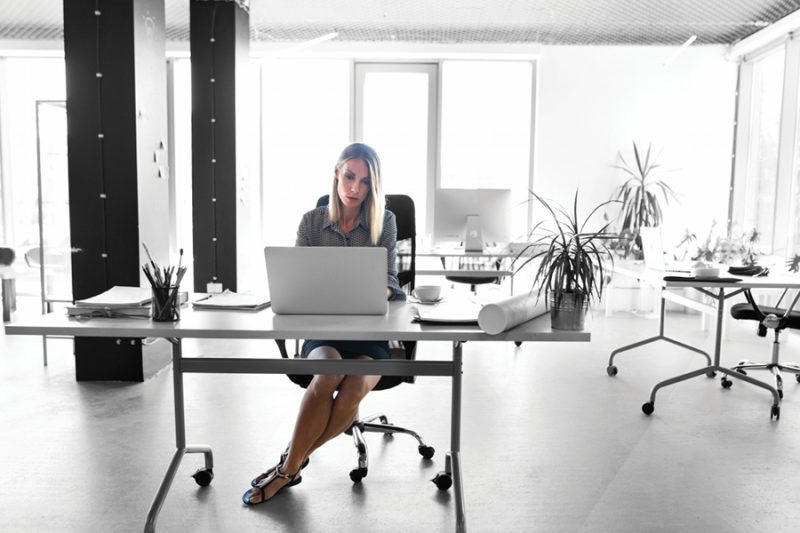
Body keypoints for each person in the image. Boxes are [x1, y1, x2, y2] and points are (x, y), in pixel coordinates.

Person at [243, 142, 406, 505]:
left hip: (371, 335)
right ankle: (291, 465)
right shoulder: (312, 222)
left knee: (352, 388)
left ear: (373, 186)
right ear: (336, 173)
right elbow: (297, 282)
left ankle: (289, 464)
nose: (355, 188)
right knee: (328, 373)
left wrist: (375, 292)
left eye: (365, 182)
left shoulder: (385, 221)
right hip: (323, 332)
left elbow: (392, 282)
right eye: (350, 176)